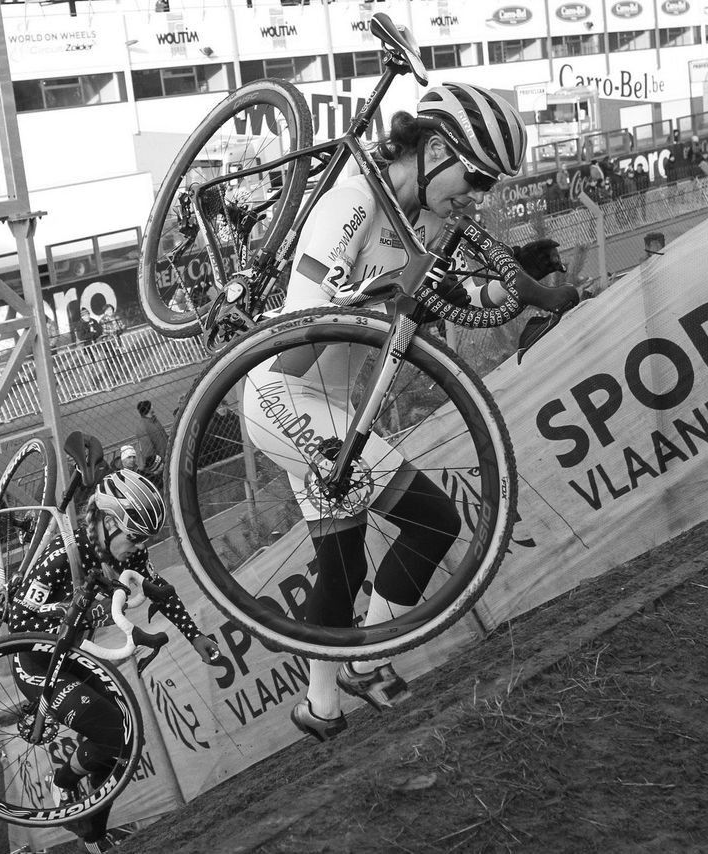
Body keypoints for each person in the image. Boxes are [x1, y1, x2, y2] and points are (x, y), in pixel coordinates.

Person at [240, 82, 576, 743]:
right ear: (433, 149)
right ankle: (369, 660)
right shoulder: (353, 201)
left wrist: (529, 288)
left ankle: (321, 708)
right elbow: (307, 330)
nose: (478, 195)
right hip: (287, 395)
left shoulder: (423, 219)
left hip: (330, 407)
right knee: (432, 520)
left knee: (341, 566)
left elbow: (451, 292)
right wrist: (377, 292)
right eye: (475, 176)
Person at [4, 469, 219, 853]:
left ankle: (92, 832)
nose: (136, 548)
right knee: (114, 730)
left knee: (127, 735)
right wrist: (73, 611)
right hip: (37, 666)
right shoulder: (63, 555)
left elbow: (161, 592)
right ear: (106, 521)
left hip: (75, 658)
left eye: (144, 540)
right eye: (133, 537)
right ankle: (66, 783)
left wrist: (195, 635)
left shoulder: (130, 554)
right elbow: (19, 622)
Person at [130, 401, 168, 488]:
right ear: (149, 409)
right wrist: (157, 464)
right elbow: (148, 450)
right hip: (159, 464)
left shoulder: (154, 420)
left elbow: (164, 436)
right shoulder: (143, 427)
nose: (153, 407)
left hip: (166, 457)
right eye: (152, 406)